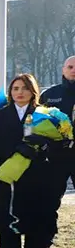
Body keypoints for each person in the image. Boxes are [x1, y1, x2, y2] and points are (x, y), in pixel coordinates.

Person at [0, 74, 67, 248]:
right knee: (11, 221)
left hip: (37, 176)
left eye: (24, 88)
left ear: (33, 91)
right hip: (10, 175)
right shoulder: (1, 115)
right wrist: (14, 149)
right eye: (15, 88)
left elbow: (60, 142)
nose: (19, 92)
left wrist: (44, 146)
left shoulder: (46, 114)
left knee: (34, 220)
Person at [40, 55, 75, 191]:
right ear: (63, 70)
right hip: (56, 154)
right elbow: (34, 122)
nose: (73, 70)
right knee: (51, 196)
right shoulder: (49, 94)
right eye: (70, 67)